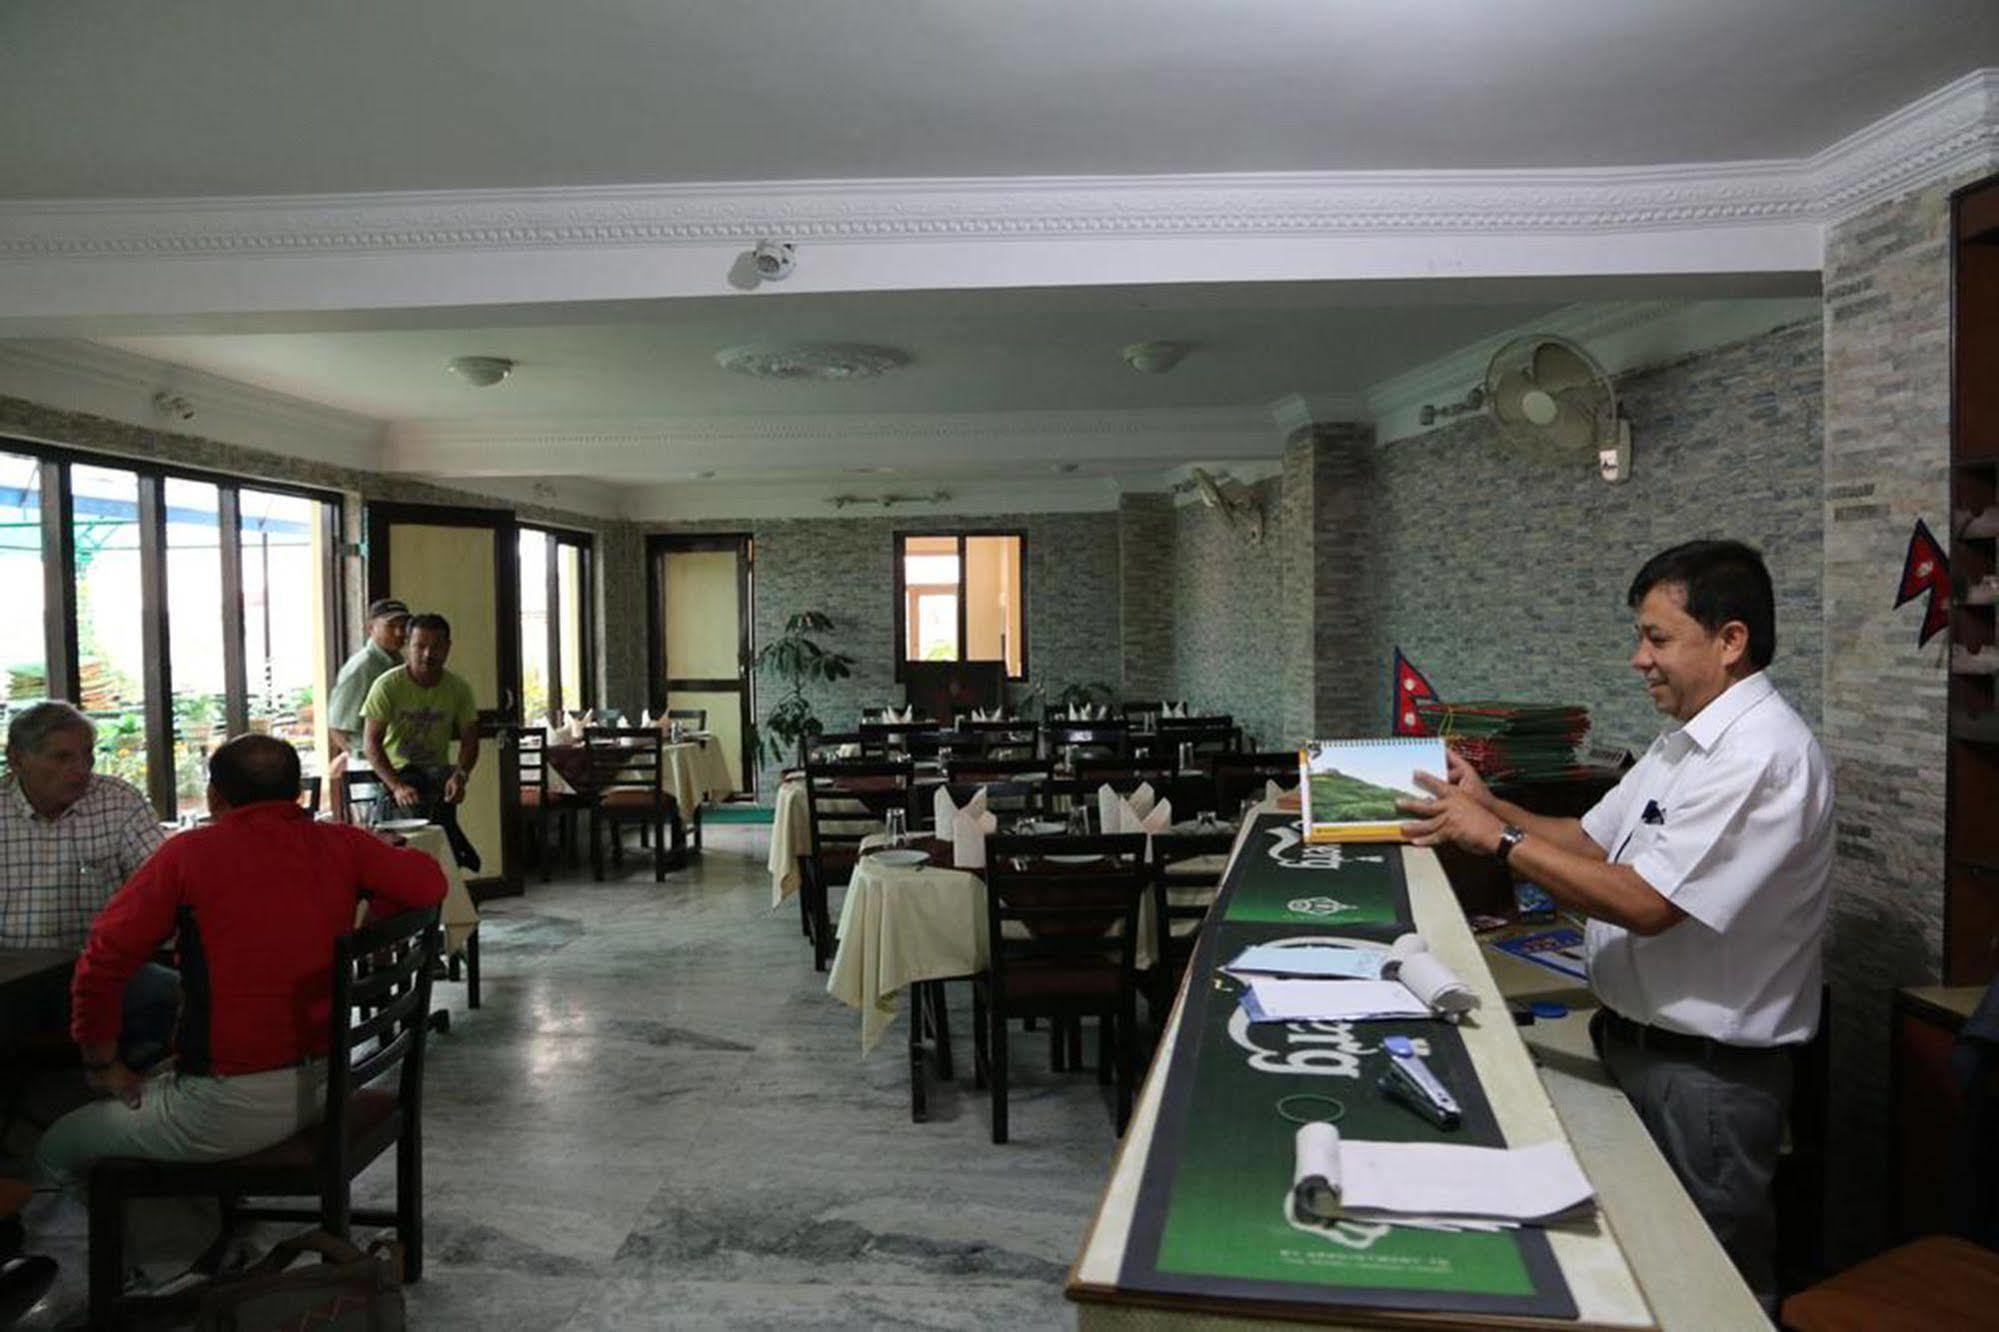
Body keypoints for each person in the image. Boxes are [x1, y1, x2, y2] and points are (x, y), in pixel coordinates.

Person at [1397, 539, 1833, 1312]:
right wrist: (1489, 801)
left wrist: (1492, 839)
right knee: (1638, 1274)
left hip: (1707, 1076)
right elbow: (1590, 843)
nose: (1638, 659)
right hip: (1633, 1046)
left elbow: (1643, 905)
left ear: (1729, 641)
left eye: (1656, 638)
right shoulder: (1683, 743)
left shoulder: (1759, 755)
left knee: (1707, 1292)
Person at [28, 735, 445, 1272]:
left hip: (230, 1107)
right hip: (327, 1084)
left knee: (58, 1143)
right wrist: (376, 920)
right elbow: (427, 883)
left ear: (215, 797)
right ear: (296, 792)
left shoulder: (189, 855)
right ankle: (180, 1246)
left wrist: (101, 1061)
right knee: (159, 1081)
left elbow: (104, 959)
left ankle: (79, 1278)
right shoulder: (344, 844)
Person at [0, 701, 175, 1069]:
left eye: (87, 755)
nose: (80, 770)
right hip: (10, 974)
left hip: (97, 969)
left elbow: (163, 886)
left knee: (175, 994)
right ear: (16, 760)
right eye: (62, 757)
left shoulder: (117, 801)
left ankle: (126, 1096)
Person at [360, 612, 482, 871]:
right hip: (397, 778)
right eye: (420, 646)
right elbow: (371, 744)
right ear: (408, 646)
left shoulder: (458, 689)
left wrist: (461, 776)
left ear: (448, 648)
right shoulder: (387, 686)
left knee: (442, 840)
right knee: (413, 848)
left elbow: (471, 739)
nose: (428, 654)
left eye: (436, 646)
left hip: (437, 778)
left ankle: (449, 876)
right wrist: (396, 786)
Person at [325, 598, 410, 758]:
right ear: (370, 628)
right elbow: (337, 728)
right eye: (391, 626)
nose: (399, 633)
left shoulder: (398, 662)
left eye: (403, 626)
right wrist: (362, 760)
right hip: (371, 768)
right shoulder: (362, 667)